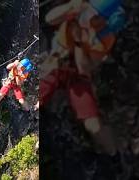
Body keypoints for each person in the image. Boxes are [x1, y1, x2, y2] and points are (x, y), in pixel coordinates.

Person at [37, 0, 126, 156]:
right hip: (55, 64)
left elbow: (86, 66)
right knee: (39, 97)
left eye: (100, 22)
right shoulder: (78, 11)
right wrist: (72, 8)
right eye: (95, 17)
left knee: (93, 125)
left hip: (77, 76)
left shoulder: (106, 37)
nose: (96, 23)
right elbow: (50, 18)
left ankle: (115, 155)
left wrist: (78, 41)